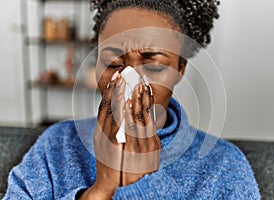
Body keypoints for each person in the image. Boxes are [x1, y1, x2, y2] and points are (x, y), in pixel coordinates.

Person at [4, 0, 260, 199]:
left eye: (154, 66)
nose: (128, 81)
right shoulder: (56, 145)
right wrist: (100, 191)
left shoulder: (224, 167)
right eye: (113, 63)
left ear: (180, 69)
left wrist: (141, 188)